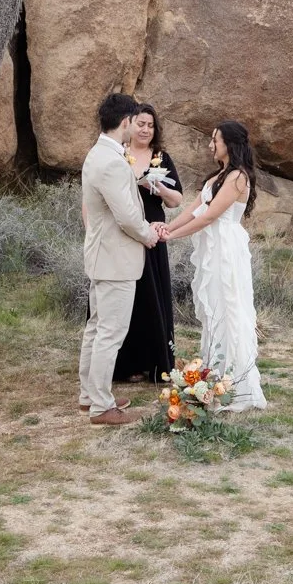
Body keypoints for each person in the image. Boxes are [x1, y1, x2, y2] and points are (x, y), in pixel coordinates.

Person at [156, 120, 267, 411]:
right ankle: (214, 372)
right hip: (212, 248)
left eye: (214, 140)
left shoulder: (238, 178)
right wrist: (168, 229)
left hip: (226, 248)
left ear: (228, 144)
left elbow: (209, 218)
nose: (210, 145)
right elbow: (193, 210)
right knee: (214, 306)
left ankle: (236, 380)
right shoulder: (216, 177)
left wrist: (171, 238)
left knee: (229, 304)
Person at [78, 90, 162, 427]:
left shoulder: (98, 154)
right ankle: (101, 405)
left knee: (96, 328)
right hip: (115, 259)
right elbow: (126, 216)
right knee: (110, 332)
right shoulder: (112, 162)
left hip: (103, 256)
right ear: (125, 122)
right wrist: (149, 234)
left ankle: (90, 395)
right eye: (134, 121)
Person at [111, 103, 182, 384]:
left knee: (152, 297)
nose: (145, 129)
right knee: (129, 299)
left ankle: (156, 365)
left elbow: (176, 200)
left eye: (151, 125)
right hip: (124, 232)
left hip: (153, 234)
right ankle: (126, 365)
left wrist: (158, 187)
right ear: (129, 125)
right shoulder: (119, 154)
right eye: (141, 123)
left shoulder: (161, 157)